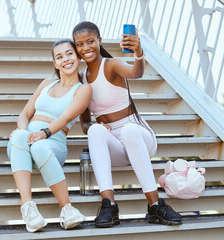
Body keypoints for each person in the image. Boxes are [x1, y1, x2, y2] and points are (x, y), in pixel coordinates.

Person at [72, 21, 182, 227]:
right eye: (79, 44)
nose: (86, 48)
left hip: (139, 137)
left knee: (130, 131)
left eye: (90, 41)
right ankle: (108, 205)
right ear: (76, 49)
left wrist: (138, 52)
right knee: (94, 130)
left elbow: (136, 73)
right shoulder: (81, 79)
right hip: (114, 145)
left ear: (99, 41)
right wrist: (96, 127)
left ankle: (155, 205)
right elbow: (85, 123)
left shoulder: (111, 65)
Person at [7, 39, 92, 232]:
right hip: (26, 143)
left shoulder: (83, 89)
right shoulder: (46, 84)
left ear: (78, 57)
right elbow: (24, 114)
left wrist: (43, 133)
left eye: (69, 54)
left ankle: (67, 209)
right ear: (55, 63)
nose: (66, 60)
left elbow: (65, 117)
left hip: (53, 143)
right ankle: (28, 209)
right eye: (59, 57)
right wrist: (22, 130)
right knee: (18, 137)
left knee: (39, 145)